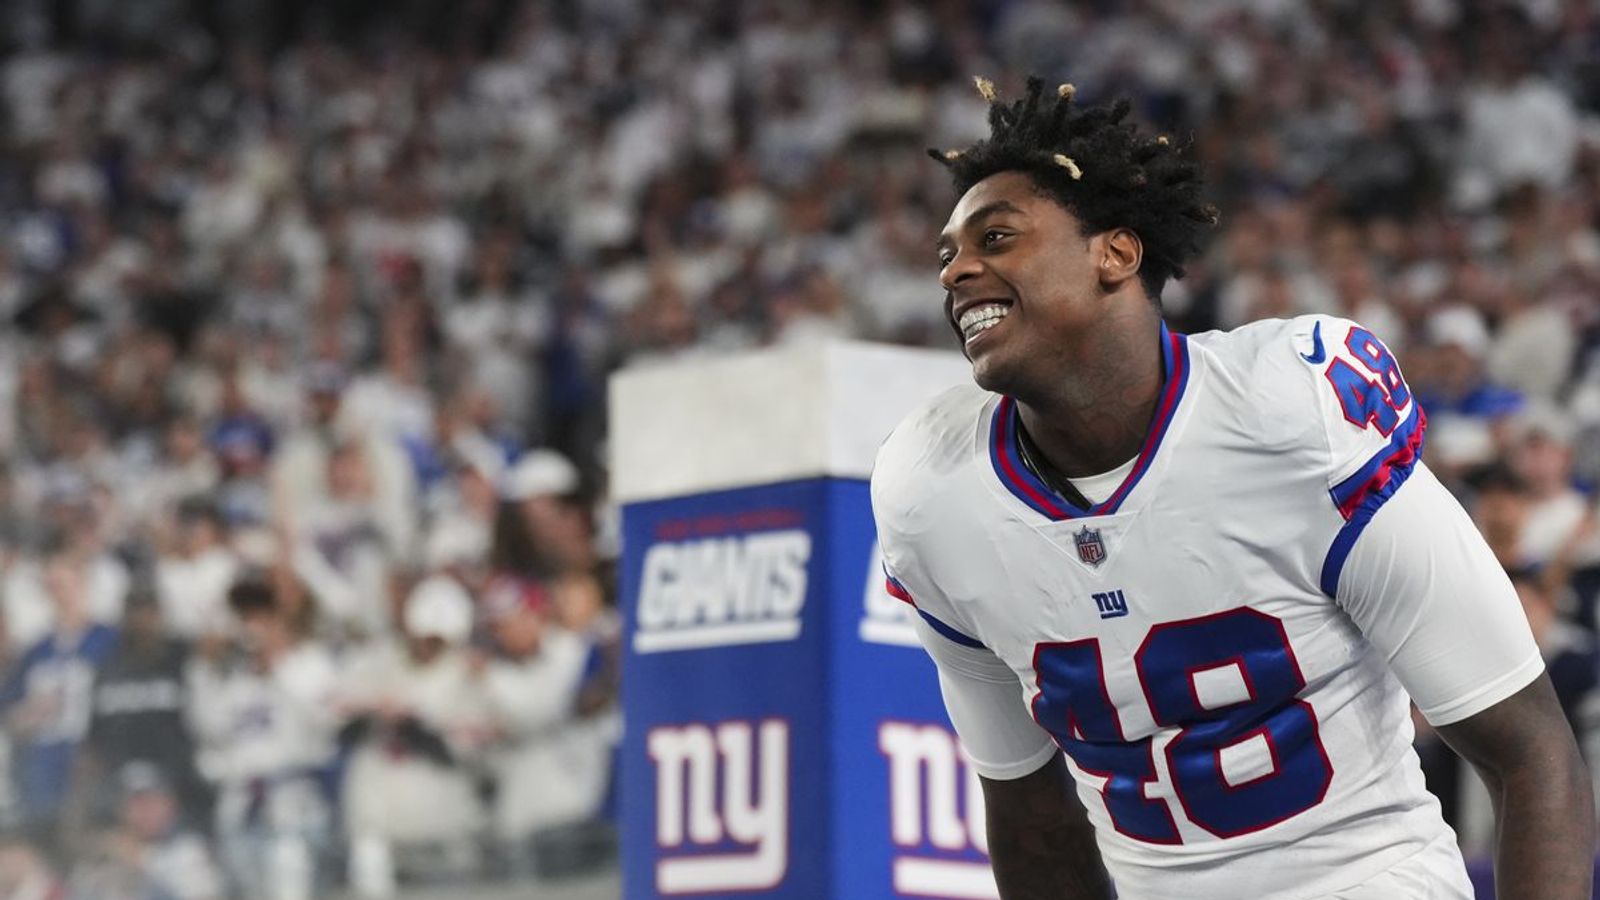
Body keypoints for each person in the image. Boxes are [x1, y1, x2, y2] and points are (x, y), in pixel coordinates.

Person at [870, 76, 1594, 899]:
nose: (957, 271)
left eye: (996, 237)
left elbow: (1529, 748)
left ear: (1116, 251)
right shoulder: (932, 490)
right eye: (947, 256)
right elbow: (1031, 810)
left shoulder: (1293, 414)